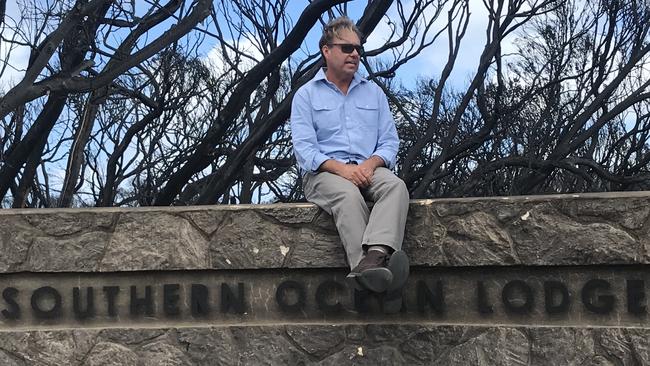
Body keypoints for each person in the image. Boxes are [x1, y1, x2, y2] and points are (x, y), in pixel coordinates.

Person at [290, 16, 410, 313]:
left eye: (358, 49)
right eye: (346, 48)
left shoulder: (374, 92)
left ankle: (373, 260)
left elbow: (390, 142)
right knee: (347, 195)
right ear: (326, 50)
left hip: (369, 169)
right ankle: (381, 282)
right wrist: (343, 170)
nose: (355, 54)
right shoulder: (305, 95)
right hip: (324, 174)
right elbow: (305, 151)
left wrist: (370, 165)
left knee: (396, 186)